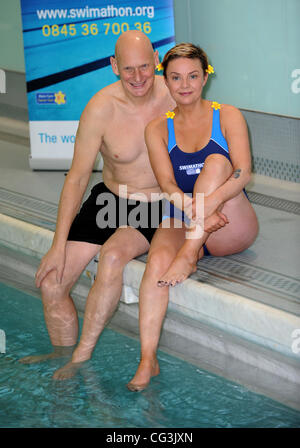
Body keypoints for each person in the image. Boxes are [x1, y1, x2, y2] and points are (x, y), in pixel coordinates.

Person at [19, 30, 175, 380]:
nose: (138, 78)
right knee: (52, 283)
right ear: (113, 66)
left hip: (156, 204)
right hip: (109, 199)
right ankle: (62, 355)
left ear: (156, 62)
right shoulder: (100, 108)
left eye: (146, 67)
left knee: (113, 256)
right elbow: (76, 178)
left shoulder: (174, 95)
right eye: (129, 69)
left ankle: (80, 359)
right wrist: (57, 246)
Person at [127, 43, 259, 391]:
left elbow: (242, 173)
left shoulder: (227, 115)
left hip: (230, 222)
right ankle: (147, 358)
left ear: (205, 77)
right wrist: (194, 211)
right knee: (156, 262)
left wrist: (208, 205)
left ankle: (190, 253)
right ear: (165, 81)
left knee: (218, 163)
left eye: (193, 76)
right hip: (187, 216)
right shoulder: (157, 128)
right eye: (175, 78)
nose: (184, 85)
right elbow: (167, 184)